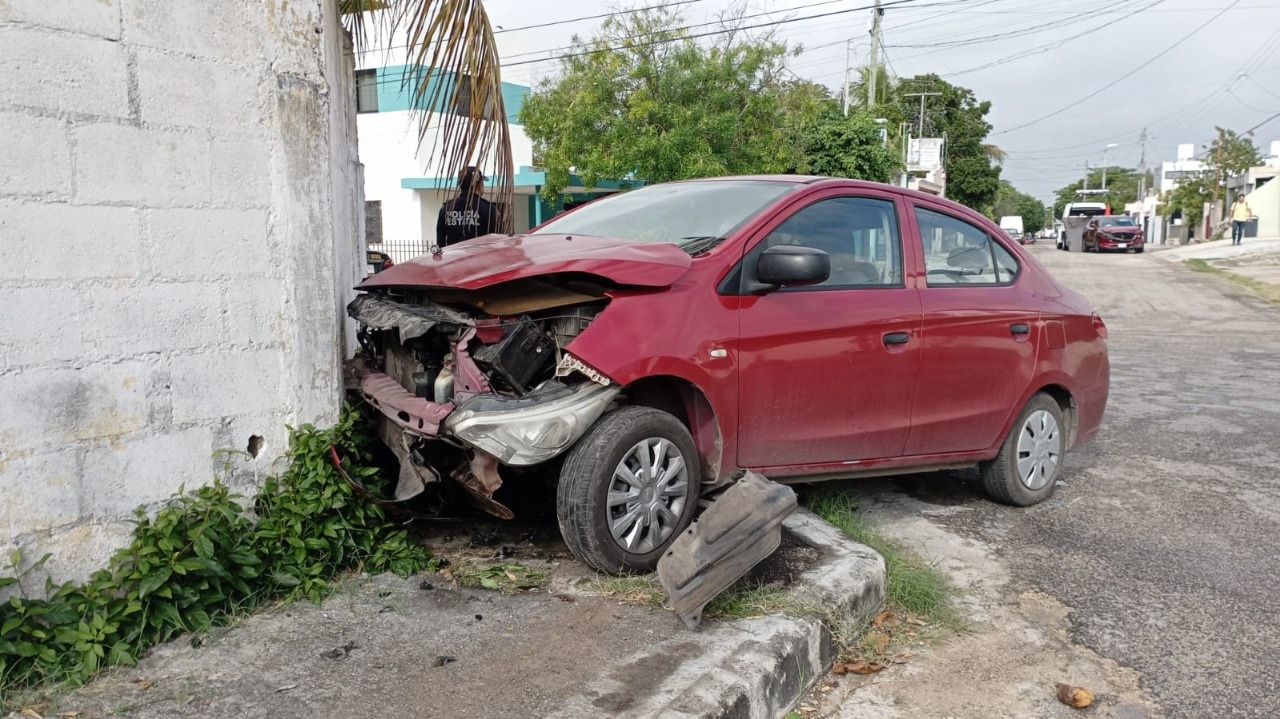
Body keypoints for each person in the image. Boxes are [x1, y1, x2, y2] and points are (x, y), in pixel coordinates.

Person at [435, 166, 499, 251]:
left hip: (453, 260)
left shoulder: (446, 209)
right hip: (481, 260)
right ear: (479, 185)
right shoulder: (489, 209)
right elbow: (497, 240)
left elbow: (440, 244)